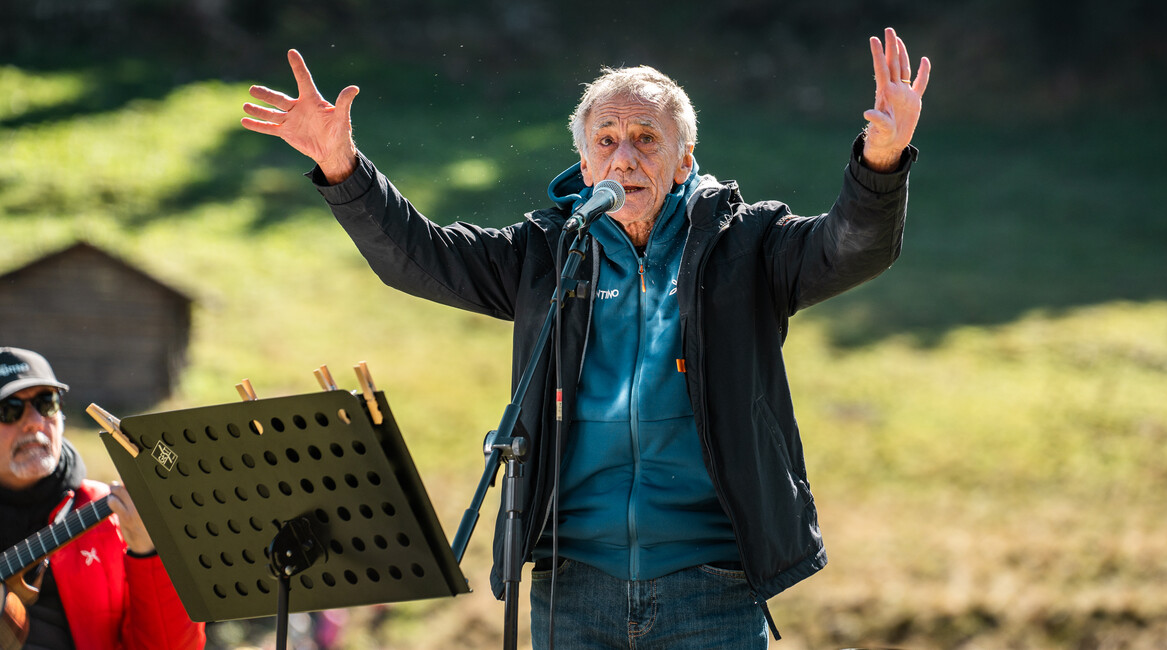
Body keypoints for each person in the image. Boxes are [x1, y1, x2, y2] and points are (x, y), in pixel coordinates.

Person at [242, 27, 929, 649]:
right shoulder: (548, 251)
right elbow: (418, 256)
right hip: (573, 588)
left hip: (711, 585)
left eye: (646, 140)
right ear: (584, 158)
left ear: (685, 162)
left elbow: (851, 248)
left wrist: (881, 161)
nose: (623, 157)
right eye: (605, 140)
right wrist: (343, 167)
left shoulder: (747, 245)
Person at [0, 347, 206, 649]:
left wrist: (148, 553)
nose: (33, 422)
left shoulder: (111, 516)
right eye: (10, 409)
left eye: (46, 403)